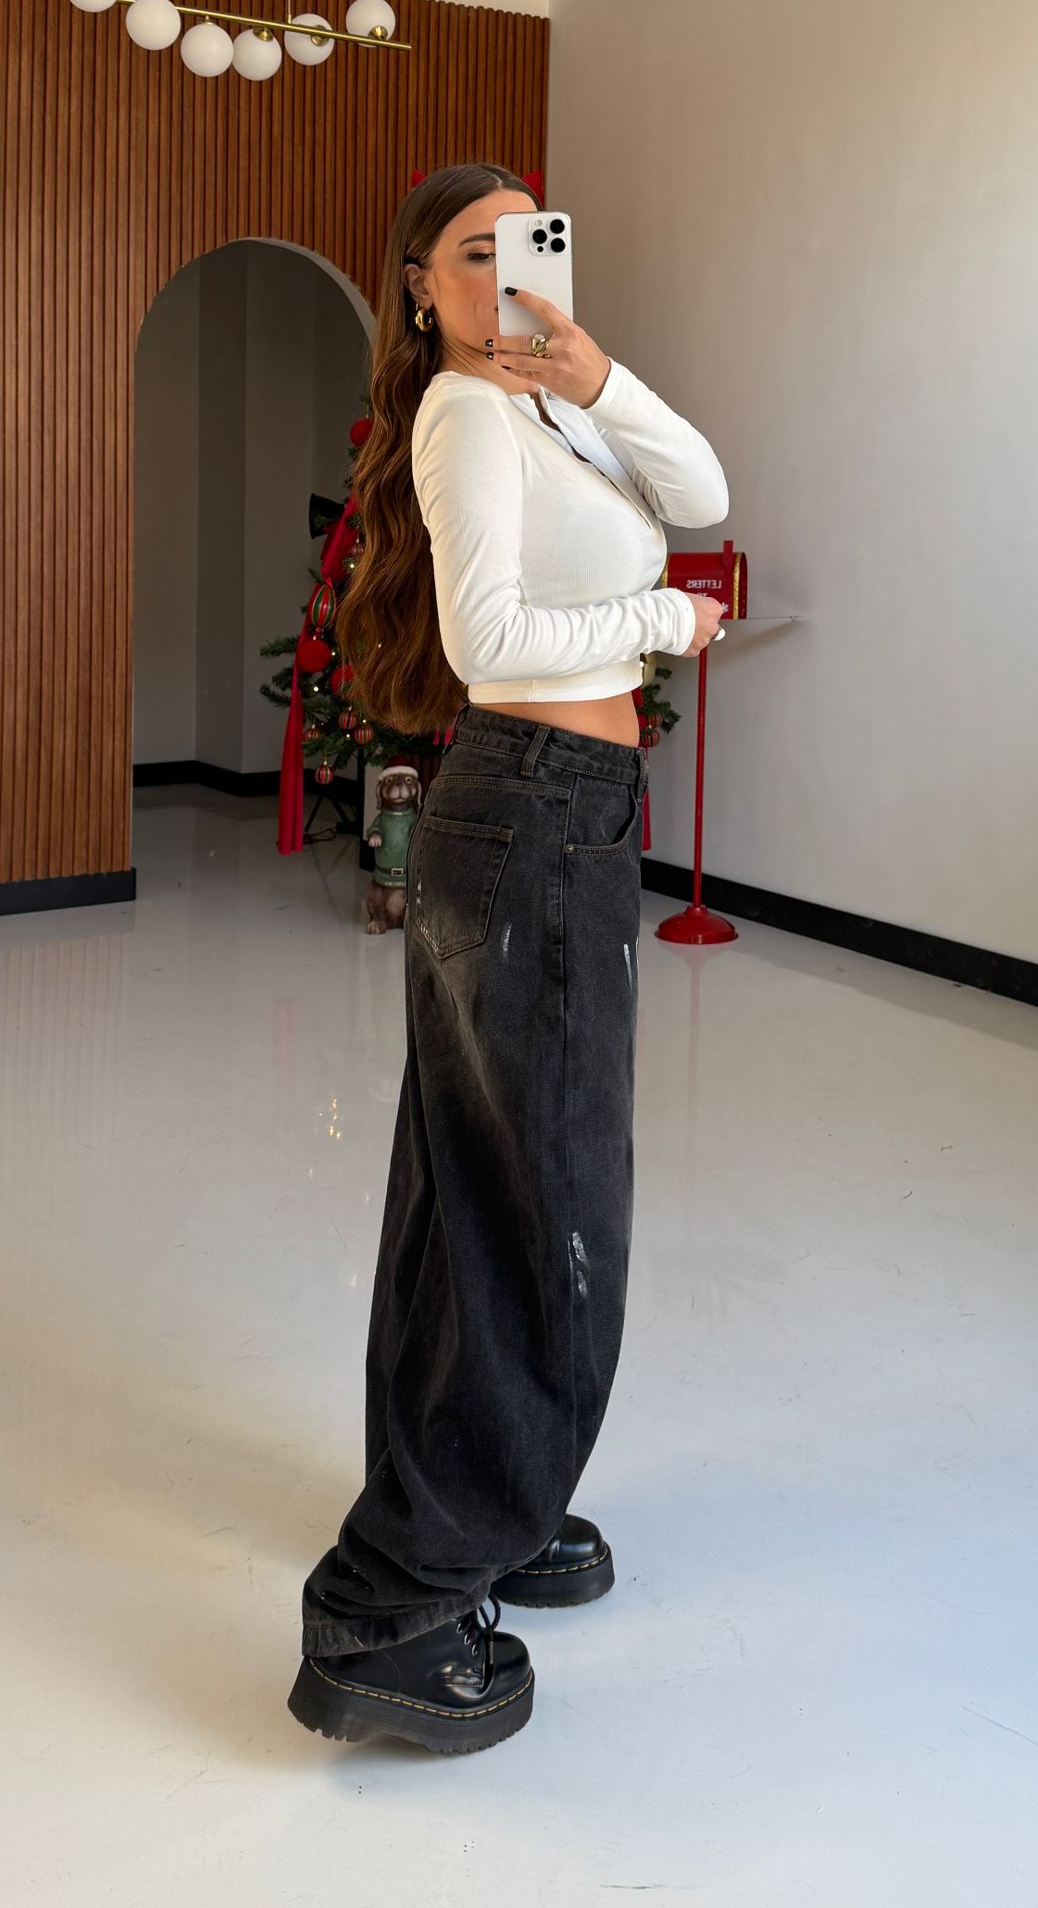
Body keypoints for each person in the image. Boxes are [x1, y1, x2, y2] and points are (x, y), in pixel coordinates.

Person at [286, 162, 729, 1754]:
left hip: (560, 811)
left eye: (531, 245)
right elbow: (490, 646)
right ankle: (390, 1609)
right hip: (531, 806)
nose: (508, 275)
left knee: (476, 1188)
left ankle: (484, 1500)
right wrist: (666, 625)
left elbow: (702, 489)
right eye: (473, 255)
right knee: (541, 1210)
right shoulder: (466, 416)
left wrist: (595, 373)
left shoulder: (547, 409)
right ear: (418, 286)